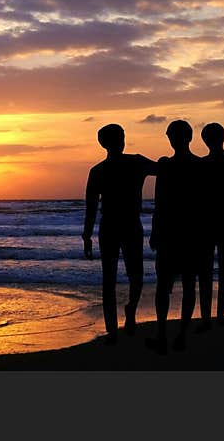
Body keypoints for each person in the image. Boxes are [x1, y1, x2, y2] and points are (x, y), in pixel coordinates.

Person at [82, 124, 158, 345]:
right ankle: (113, 329)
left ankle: (126, 316)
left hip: (119, 225)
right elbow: (91, 206)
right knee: (123, 278)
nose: (122, 141)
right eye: (120, 137)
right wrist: (87, 236)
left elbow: (91, 208)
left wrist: (87, 235)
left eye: (122, 137)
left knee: (124, 278)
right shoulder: (130, 164)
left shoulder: (123, 165)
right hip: (120, 226)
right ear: (110, 143)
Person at [146, 120, 201, 353]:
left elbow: (160, 203)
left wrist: (155, 232)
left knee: (164, 286)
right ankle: (181, 335)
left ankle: (162, 334)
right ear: (189, 138)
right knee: (188, 286)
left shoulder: (165, 166)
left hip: (170, 233)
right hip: (191, 233)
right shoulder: (199, 166)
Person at [199, 123, 224, 329]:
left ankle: (208, 316)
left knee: (206, 272)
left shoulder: (200, 167)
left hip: (207, 225)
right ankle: (219, 314)